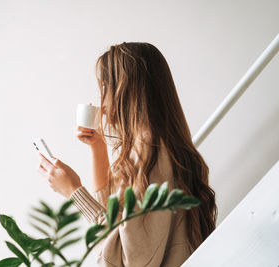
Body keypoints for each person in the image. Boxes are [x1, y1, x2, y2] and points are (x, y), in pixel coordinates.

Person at [37, 42, 217, 266]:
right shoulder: (161, 146)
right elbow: (121, 221)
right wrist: (98, 149)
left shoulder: (149, 153)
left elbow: (126, 258)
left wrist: (74, 192)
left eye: (104, 87)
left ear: (126, 90)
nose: (101, 102)